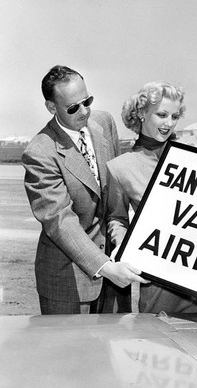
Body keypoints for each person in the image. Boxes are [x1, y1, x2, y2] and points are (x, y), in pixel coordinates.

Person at [22, 65, 148, 315]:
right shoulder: (40, 152)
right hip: (67, 280)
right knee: (69, 354)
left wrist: (121, 241)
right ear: (51, 107)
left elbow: (115, 198)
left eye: (87, 101)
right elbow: (60, 221)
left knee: (110, 352)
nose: (85, 111)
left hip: (113, 277)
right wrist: (104, 266)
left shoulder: (104, 122)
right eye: (73, 108)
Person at [106, 81, 197, 314]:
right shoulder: (120, 168)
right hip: (158, 279)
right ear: (141, 113)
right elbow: (117, 218)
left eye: (175, 116)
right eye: (161, 115)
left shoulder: (194, 155)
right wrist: (124, 244)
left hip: (196, 273)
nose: (168, 123)